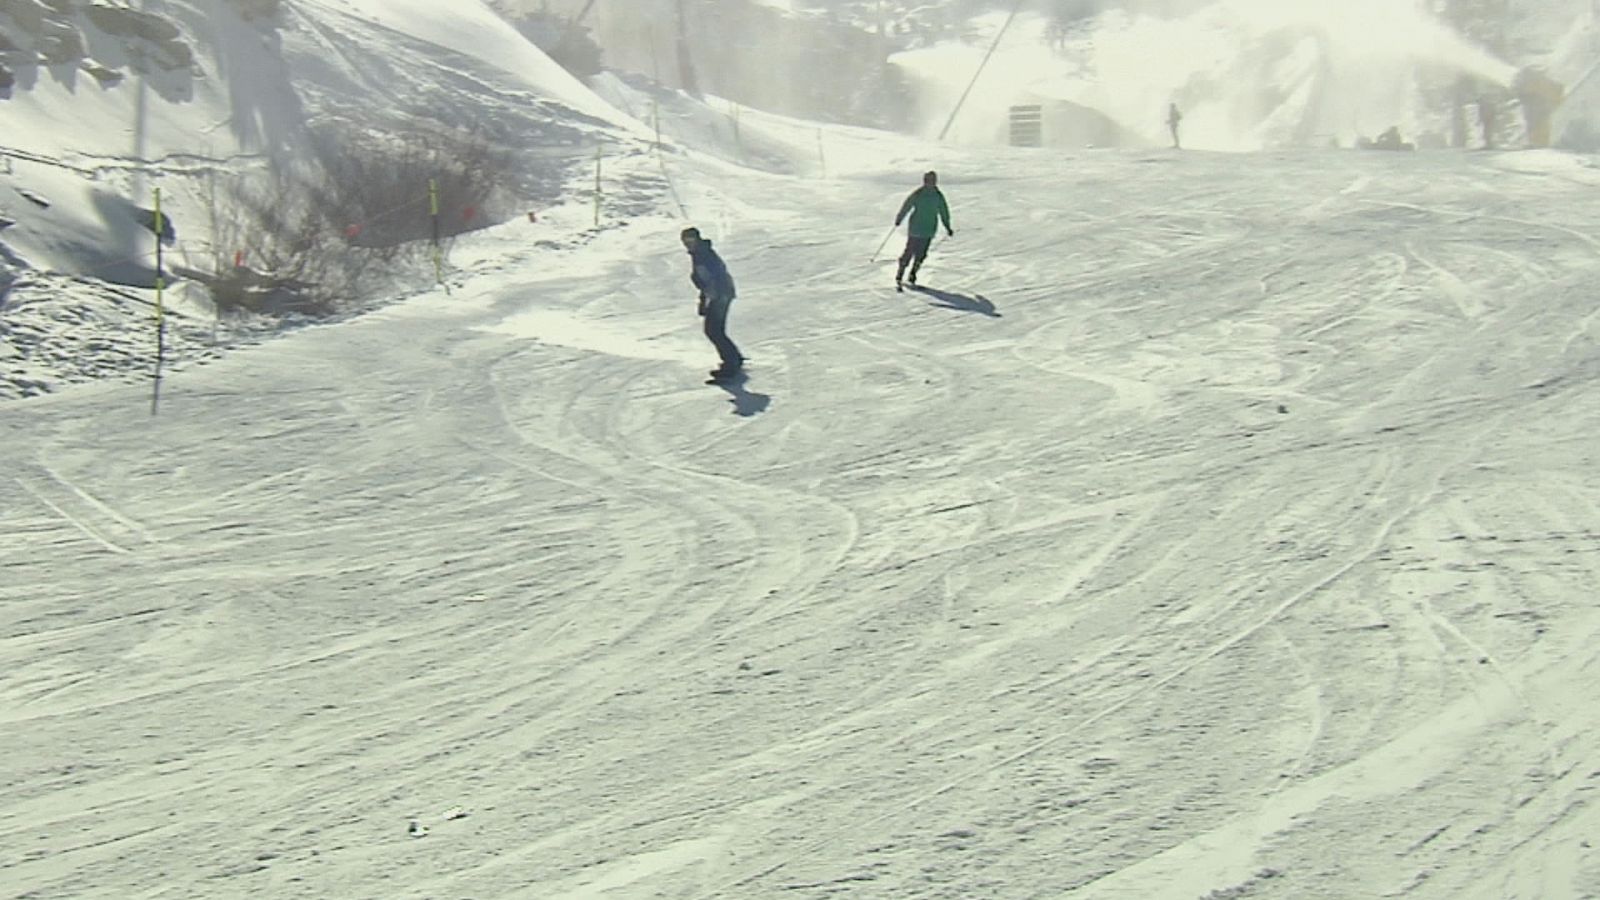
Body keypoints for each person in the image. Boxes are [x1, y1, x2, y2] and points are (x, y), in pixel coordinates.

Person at [681, 226, 743, 380]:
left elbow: (718, 273)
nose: (688, 244)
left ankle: (731, 364)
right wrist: (704, 301)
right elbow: (703, 281)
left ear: (697, 239)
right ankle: (734, 358)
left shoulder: (704, 253)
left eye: (690, 240)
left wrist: (715, 295)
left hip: (721, 294)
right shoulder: (698, 253)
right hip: (718, 294)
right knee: (715, 330)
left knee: (713, 330)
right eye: (685, 241)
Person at [894, 170, 953, 291]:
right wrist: (900, 218)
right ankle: (900, 272)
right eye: (927, 181)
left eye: (931, 181)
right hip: (916, 228)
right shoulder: (919, 194)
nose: (929, 183)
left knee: (921, 254)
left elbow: (944, 211)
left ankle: (912, 273)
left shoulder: (937, 196)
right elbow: (907, 205)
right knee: (909, 251)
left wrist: (947, 226)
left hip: (928, 230)